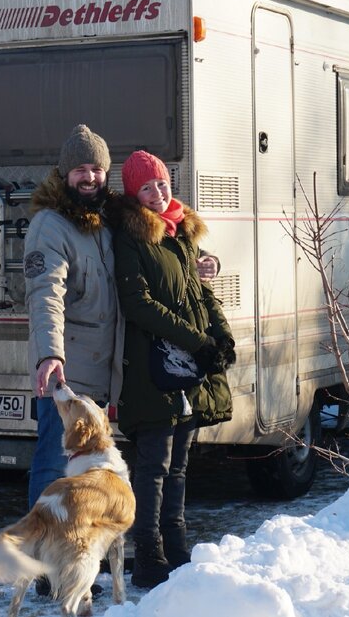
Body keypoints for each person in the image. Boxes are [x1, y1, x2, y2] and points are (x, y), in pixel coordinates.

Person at [107, 149, 235, 589]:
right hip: (150, 369)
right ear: (133, 194)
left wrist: (220, 337)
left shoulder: (180, 232)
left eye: (161, 183)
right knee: (153, 466)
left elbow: (198, 293)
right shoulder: (132, 237)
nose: (158, 193)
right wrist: (197, 342)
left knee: (179, 464)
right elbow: (139, 304)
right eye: (147, 187)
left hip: (184, 369)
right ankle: (147, 554)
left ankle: (176, 548)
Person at [23, 124, 122, 511]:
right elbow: (45, 293)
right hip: (64, 377)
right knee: (53, 467)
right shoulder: (50, 226)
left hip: (100, 375)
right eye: (80, 169)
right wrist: (50, 354)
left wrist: (200, 260)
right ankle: (44, 562)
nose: (89, 177)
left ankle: (73, 554)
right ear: (64, 174)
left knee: (86, 476)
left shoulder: (109, 221)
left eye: (96, 169)